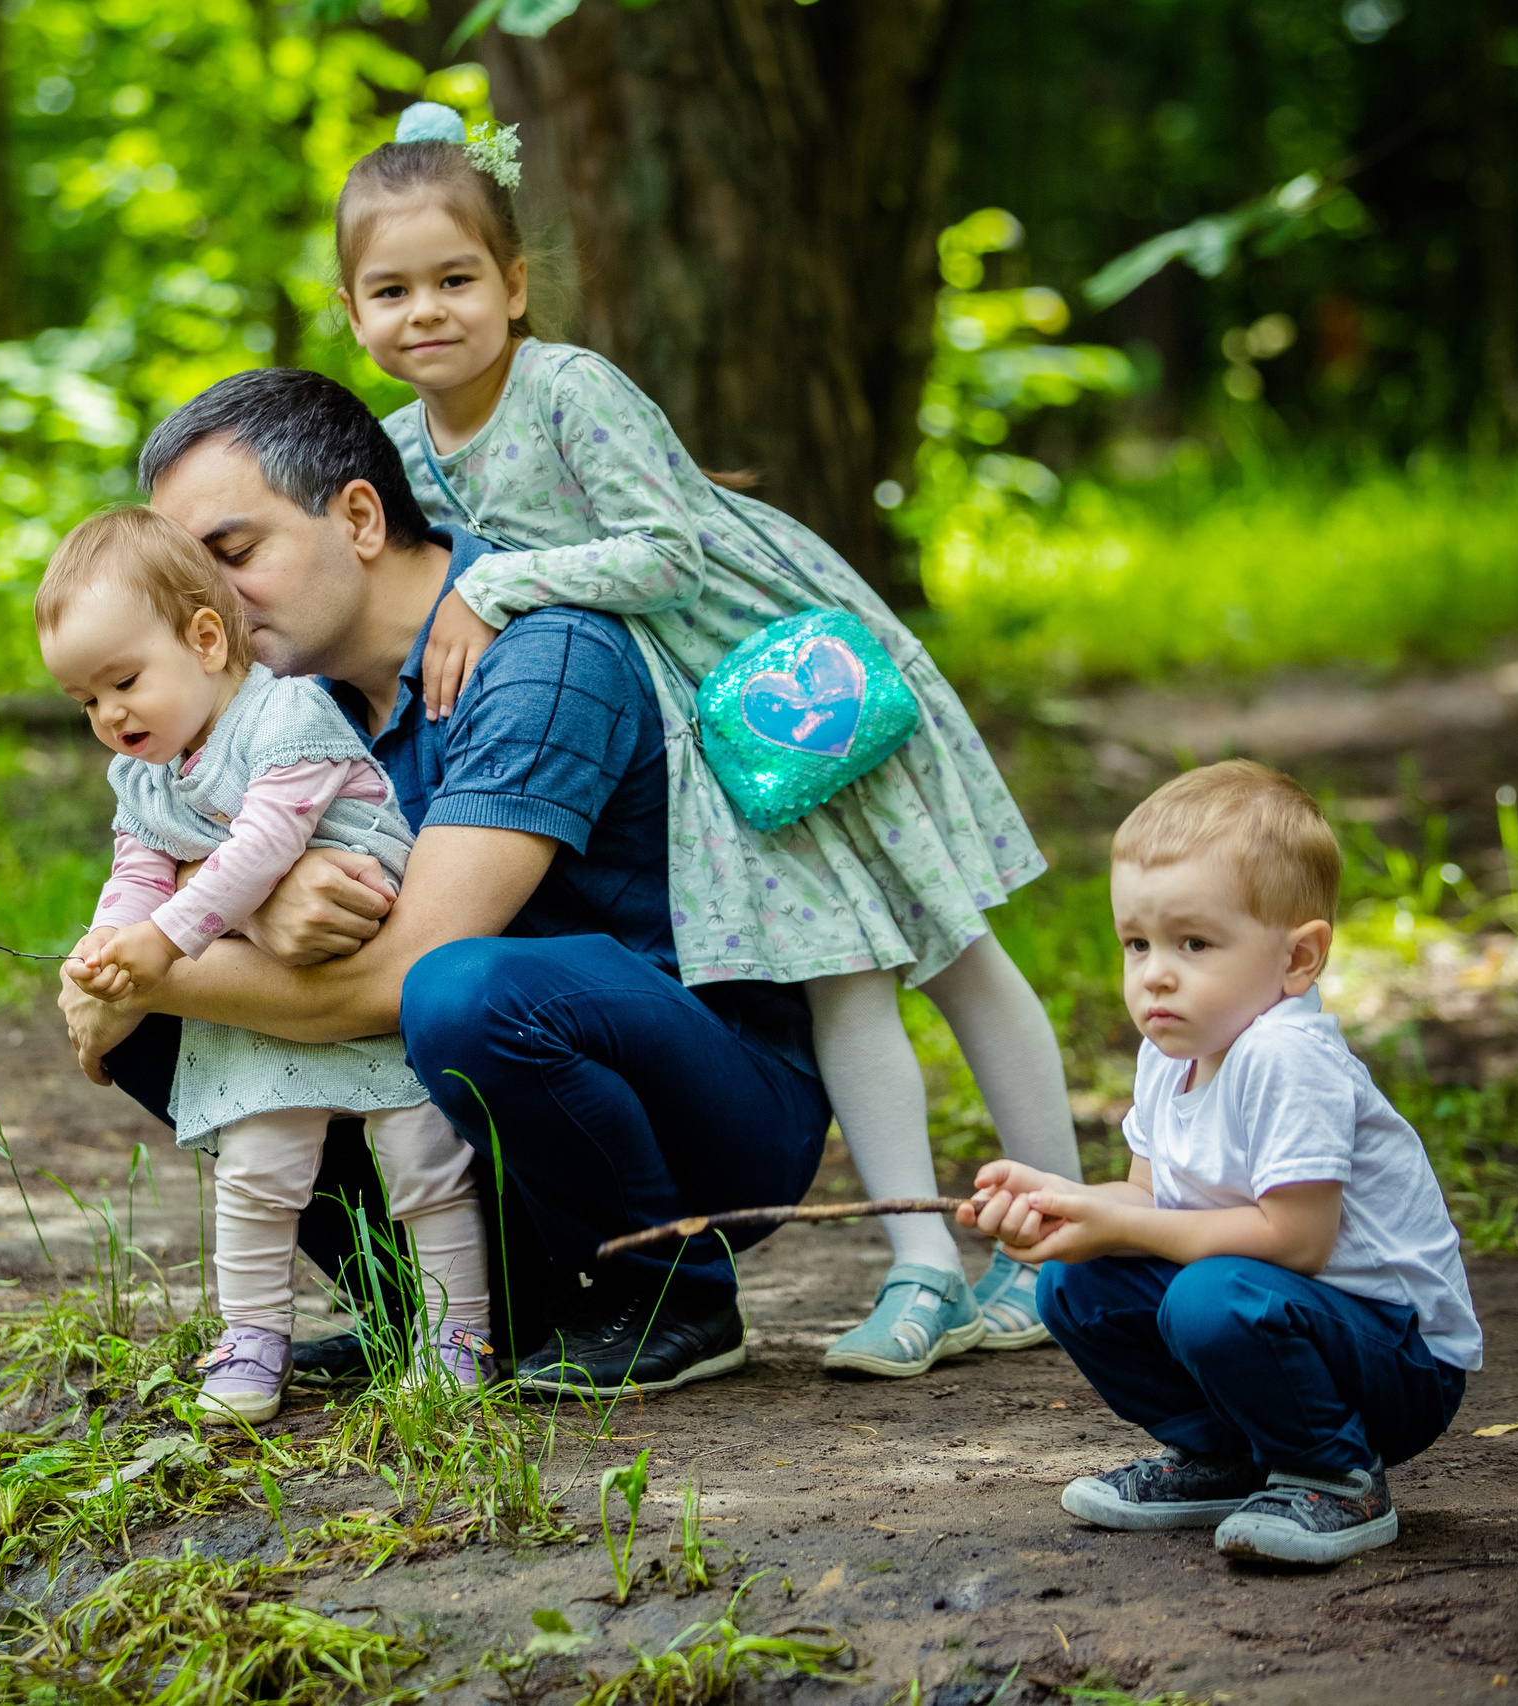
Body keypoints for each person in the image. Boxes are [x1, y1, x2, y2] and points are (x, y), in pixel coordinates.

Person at [325, 101, 1081, 1379]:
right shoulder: (401, 451)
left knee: (950, 943)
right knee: (832, 966)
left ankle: (1064, 1239)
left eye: (455, 278)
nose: (426, 311)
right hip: (695, 740)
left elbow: (669, 552)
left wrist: (498, 590)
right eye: (390, 290)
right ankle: (922, 1267)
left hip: (787, 684)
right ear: (352, 312)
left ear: (514, 285)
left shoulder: (568, 388)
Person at [56, 364, 837, 1399]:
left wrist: (135, 977)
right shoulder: (281, 702)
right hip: (492, 1107)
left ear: (362, 518)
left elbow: (409, 968)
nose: (199, 601)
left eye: (231, 553)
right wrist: (243, 901)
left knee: (451, 989)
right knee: (170, 1009)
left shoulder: (543, 655)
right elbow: (176, 859)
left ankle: (669, 1292)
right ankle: (444, 1314)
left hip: (691, 1099)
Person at [961, 761, 1480, 1566]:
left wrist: (1120, 1222)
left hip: (1399, 1358)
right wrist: (1067, 1202)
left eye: (1193, 942)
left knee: (1211, 1295)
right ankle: (1227, 1459)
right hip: (1280, 1317)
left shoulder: (1285, 1055)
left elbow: (1298, 1240)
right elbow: (1146, 1202)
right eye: (1136, 944)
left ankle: (1336, 1475)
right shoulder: (1170, 1052)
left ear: (1298, 959)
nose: (1155, 973)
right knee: (1075, 1281)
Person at [37, 505, 492, 1423]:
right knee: (257, 1161)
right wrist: (105, 943)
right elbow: (137, 867)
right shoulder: (146, 773)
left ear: (207, 640)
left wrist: (162, 945)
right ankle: (251, 1340)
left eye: (123, 681)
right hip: (268, 995)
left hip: (368, 970)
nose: (108, 715)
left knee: (421, 1155)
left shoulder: (285, 712)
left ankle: (459, 1337)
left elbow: (265, 844)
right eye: (86, 701)